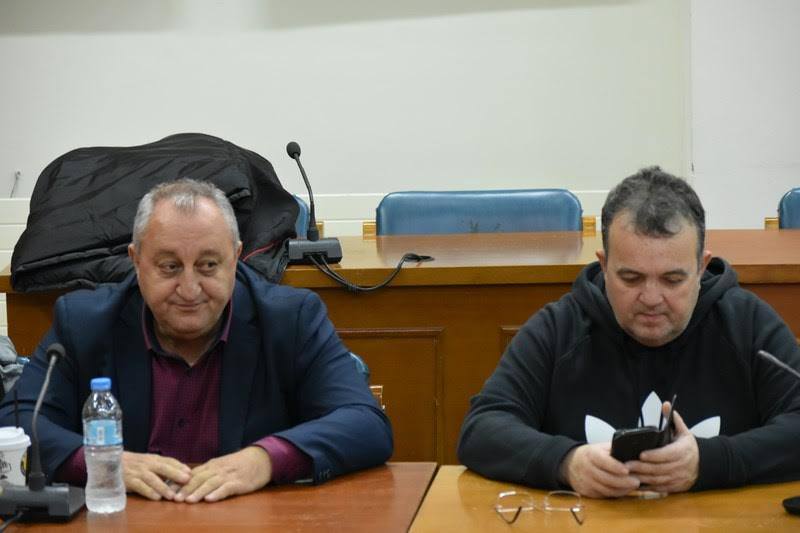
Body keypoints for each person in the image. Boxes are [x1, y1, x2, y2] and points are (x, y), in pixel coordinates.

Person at [0, 178, 392, 503]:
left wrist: (265, 459)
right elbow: (14, 423)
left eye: (208, 265)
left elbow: (365, 423)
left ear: (235, 258)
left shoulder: (290, 319)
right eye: (170, 266)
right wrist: (101, 462)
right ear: (136, 261)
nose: (189, 289)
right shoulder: (84, 322)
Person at [458, 167, 800, 497]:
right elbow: (482, 429)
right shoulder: (559, 328)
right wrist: (565, 462)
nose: (651, 298)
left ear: (701, 267)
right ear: (604, 265)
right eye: (631, 278)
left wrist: (710, 462)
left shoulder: (746, 324)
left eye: (672, 280)